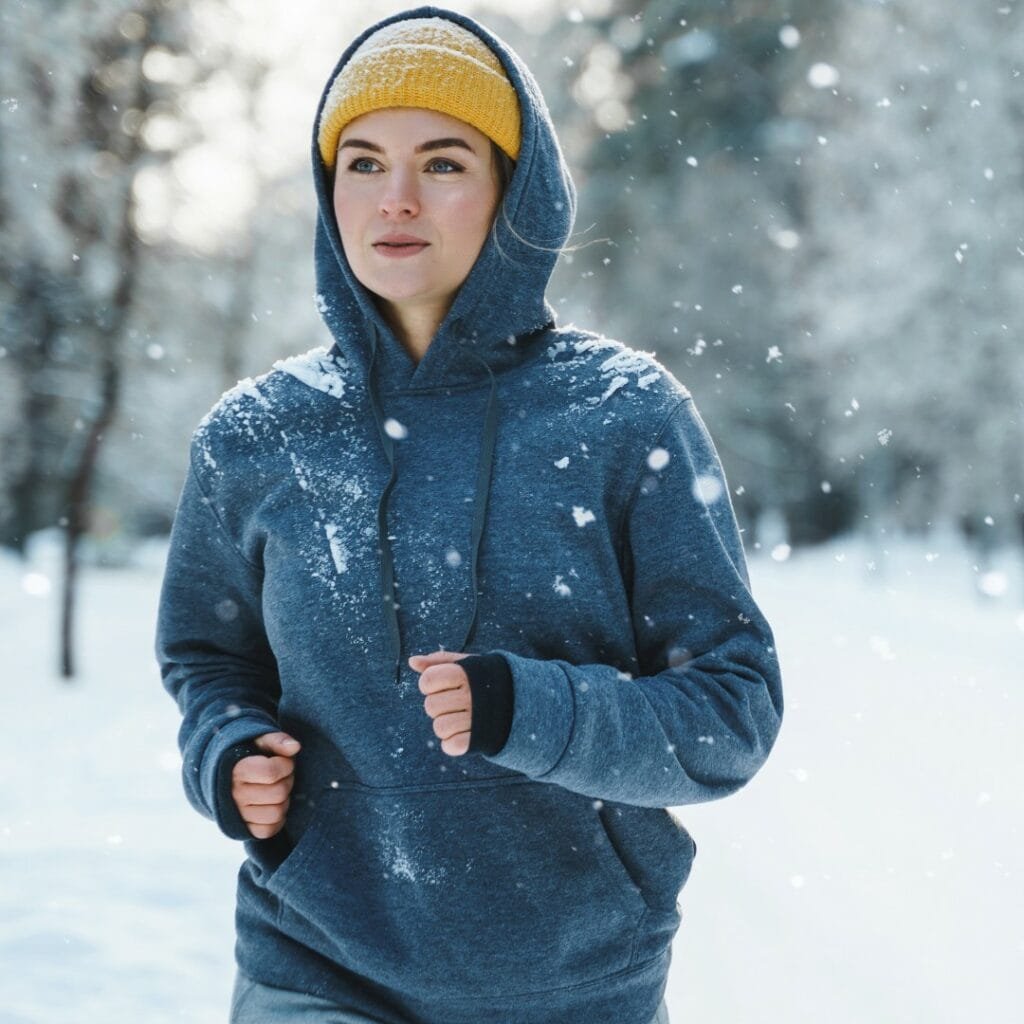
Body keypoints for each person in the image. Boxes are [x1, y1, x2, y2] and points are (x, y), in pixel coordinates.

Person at [155, 7, 784, 1024]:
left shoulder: (625, 416)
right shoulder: (255, 435)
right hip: (316, 968)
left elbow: (730, 711)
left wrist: (529, 710)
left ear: (512, 191)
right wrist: (227, 753)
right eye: (361, 162)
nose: (395, 197)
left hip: (576, 986)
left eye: (442, 162)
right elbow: (209, 660)